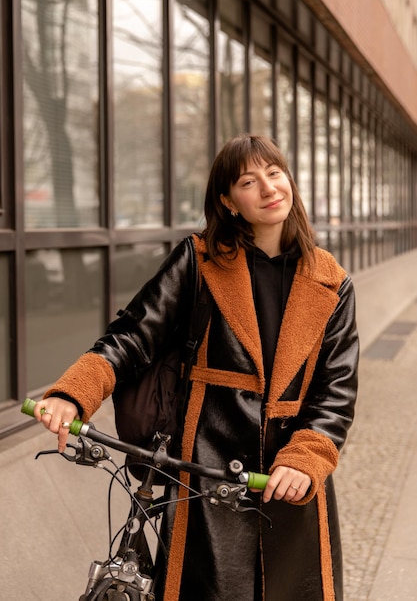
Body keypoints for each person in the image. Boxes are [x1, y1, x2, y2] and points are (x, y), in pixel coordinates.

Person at [34, 134, 359, 601]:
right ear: (228, 201)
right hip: (204, 472)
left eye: (274, 173)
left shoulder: (333, 282)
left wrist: (306, 459)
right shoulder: (199, 258)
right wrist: (72, 394)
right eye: (249, 180)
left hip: (290, 481)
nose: (268, 188)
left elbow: (337, 390)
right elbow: (132, 336)